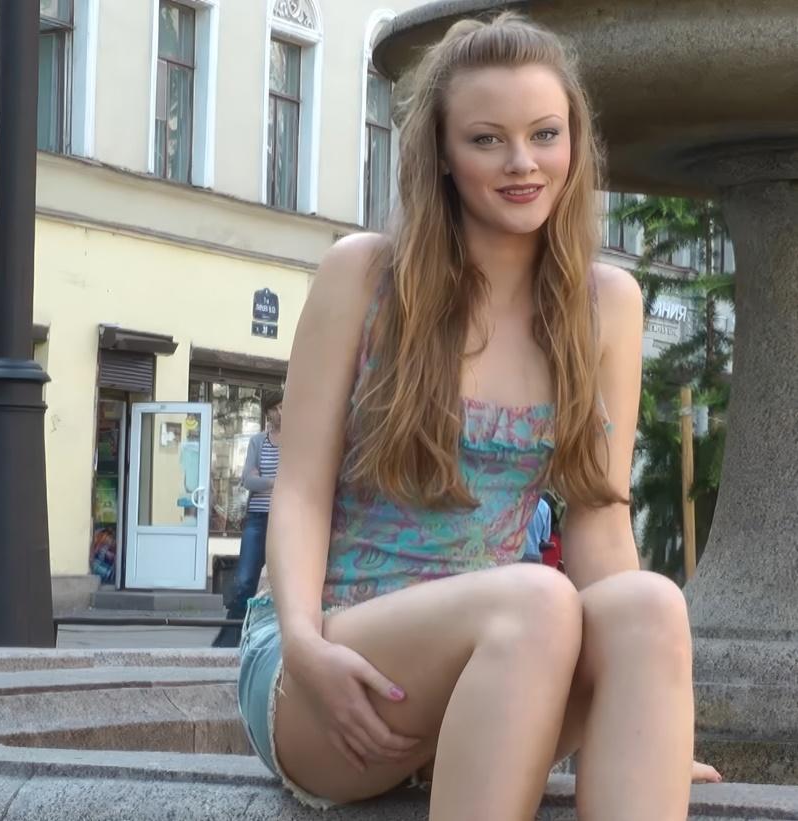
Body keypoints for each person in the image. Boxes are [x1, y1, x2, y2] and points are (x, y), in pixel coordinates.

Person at [237, 13, 722, 818]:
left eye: (545, 134)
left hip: (510, 663)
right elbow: (300, 490)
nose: (522, 162)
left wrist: (645, 706)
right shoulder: (364, 276)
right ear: (442, 154)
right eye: (487, 139)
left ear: (575, 143)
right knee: (535, 599)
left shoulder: (606, 304)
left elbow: (600, 518)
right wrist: (303, 640)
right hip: (332, 660)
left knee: (652, 607)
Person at [212, 390, 283, 648]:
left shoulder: (297, 442)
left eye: (285, 407)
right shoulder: (258, 442)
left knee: (285, 583)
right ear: (268, 412)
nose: (281, 413)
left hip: (286, 521)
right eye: (276, 408)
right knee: (244, 581)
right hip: (258, 518)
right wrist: (276, 482)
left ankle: (273, 641)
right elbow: (248, 480)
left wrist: (264, 480)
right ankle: (229, 640)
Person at [522, 495, 551, 563]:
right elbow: (545, 538)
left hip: (518, 555)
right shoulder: (546, 507)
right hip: (535, 556)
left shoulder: (518, 504)